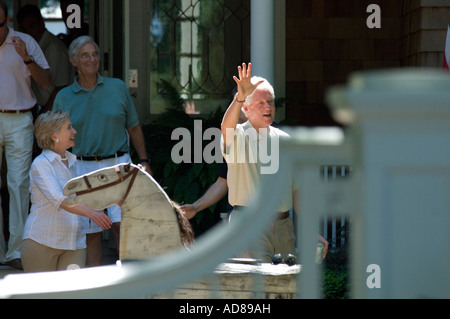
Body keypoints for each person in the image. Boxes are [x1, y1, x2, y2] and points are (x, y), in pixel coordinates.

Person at [53, 35, 152, 267]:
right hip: (82, 166)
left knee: (122, 225)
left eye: (95, 54)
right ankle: (96, 286)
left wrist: (144, 159)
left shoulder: (117, 87)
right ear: (73, 61)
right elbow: (55, 139)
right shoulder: (63, 97)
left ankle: (129, 282)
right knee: (91, 231)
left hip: (118, 164)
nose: (91, 59)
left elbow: (134, 127)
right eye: (85, 55)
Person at [221, 63, 328, 262]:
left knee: (287, 289)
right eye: (261, 103)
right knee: (256, 291)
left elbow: (297, 191)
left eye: (270, 102)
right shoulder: (237, 137)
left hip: (284, 227)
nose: (268, 107)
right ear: (246, 107)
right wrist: (239, 97)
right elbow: (226, 127)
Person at [22, 111, 112, 273]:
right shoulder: (41, 164)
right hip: (42, 241)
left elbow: (88, 196)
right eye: (69, 128)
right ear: (53, 135)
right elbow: (60, 200)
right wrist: (93, 214)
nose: (74, 131)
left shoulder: (75, 163)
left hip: (75, 243)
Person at [0, 0, 51, 270]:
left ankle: (15, 251)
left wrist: (26, 58)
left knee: (18, 185)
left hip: (19, 117)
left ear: (6, 21)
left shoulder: (25, 41)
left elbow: (46, 81)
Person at [16, 4, 73, 114]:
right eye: (24, 29)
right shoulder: (32, 47)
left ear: (41, 23)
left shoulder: (54, 48)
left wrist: (44, 114)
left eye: (32, 26)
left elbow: (61, 87)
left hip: (54, 111)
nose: (28, 32)